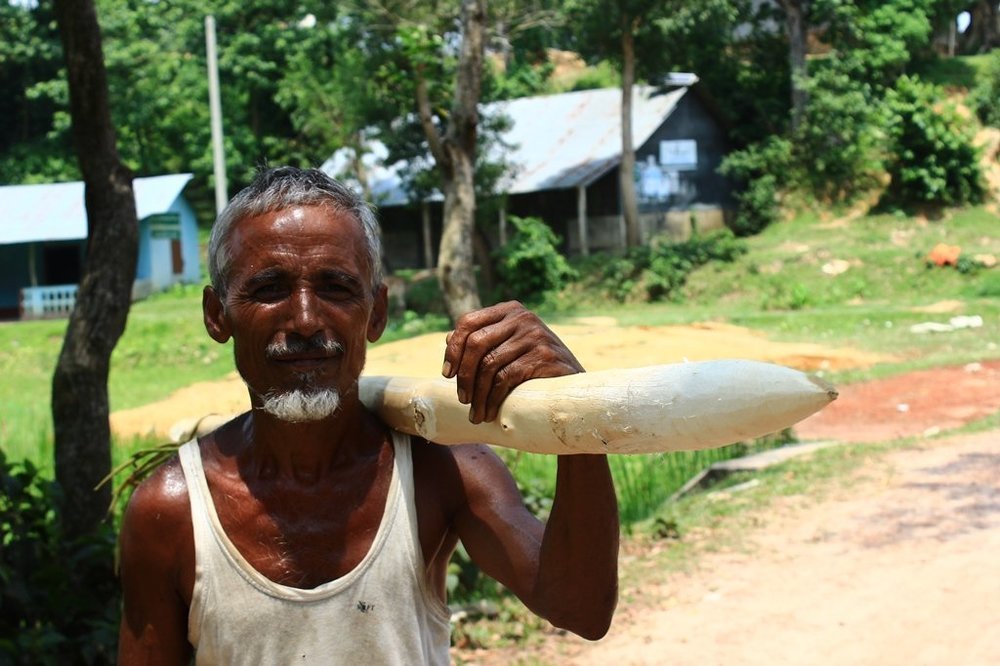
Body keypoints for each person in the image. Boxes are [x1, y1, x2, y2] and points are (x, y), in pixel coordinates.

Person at [116, 166, 620, 664]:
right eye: (269, 288)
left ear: (376, 313)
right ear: (217, 315)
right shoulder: (172, 512)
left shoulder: (439, 471)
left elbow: (580, 607)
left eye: (336, 287)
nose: (307, 320)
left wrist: (572, 410)